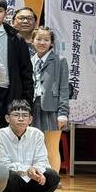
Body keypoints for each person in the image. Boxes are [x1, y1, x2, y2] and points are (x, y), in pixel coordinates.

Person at [0, 100, 61, 192]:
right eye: (16, 115)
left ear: (30, 119)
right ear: (7, 118)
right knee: (9, 175)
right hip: (10, 185)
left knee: (52, 175)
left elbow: (42, 160)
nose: (21, 119)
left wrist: (36, 171)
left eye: (25, 116)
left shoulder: (37, 134)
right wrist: (27, 170)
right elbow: (3, 164)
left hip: (32, 181)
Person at [30, 26, 70, 174]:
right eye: (39, 39)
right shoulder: (30, 60)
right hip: (33, 108)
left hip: (52, 109)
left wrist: (63, 113)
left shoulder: (60, 60)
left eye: (46, 39)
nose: (42, 42)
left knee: (51, 148)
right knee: (34, 148)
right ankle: (36, 182)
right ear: (33, 41)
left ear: (51, 42)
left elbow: (64, 89)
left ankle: (52, 183)